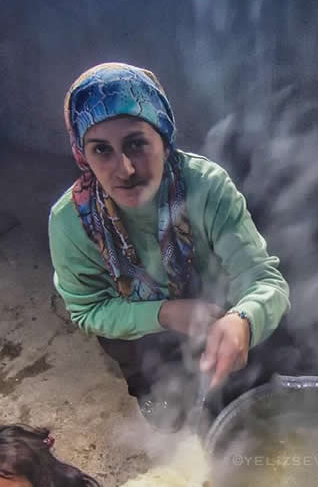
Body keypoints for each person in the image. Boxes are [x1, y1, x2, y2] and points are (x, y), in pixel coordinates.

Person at [49, 62, 290, 431]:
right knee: (169, 416)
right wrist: (166, 313)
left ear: (164, 136)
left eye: (136, 144)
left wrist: (244, 320)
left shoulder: (205, 188)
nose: (125, 169)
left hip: (217, 316)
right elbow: (87, 309)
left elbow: (263, 279)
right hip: (136, 335)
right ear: (83, 155)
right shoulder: (72, 222)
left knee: (251, 407)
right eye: (102, 150)